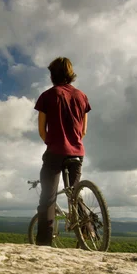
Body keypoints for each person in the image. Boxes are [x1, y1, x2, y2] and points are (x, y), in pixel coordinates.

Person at [34, 56, 91, 247]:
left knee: (48, 198)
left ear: (52, 74)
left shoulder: (47, 96)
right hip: (77, 152)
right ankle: (88, 235)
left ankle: (44, 243)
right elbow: (83, 130)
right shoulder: (82, 96)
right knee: (74, 195)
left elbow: (42, 130)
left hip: (55, 152)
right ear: (70, 74)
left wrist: (53, 143)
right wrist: (73, 143)